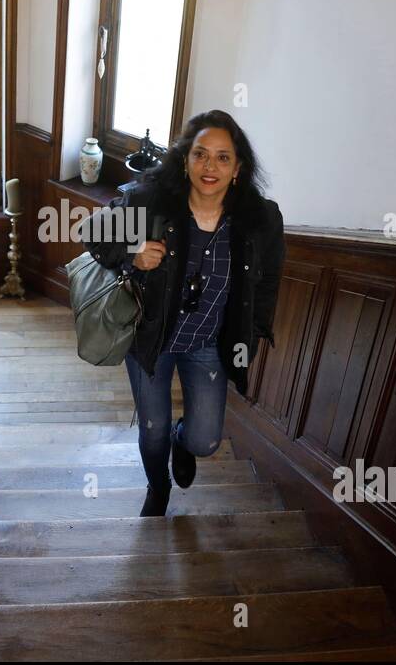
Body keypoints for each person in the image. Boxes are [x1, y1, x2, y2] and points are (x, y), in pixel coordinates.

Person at [82, 110, 285, 516]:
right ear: (185, 159)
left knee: (205, 440)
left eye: (223, 157)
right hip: (152, 339)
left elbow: (267, 281)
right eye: (200, 154)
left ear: (238, 168)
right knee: (151, 430)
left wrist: (255, 330)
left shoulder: (261, 218)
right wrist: (130, 257)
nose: (210, 166)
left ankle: (182, 439)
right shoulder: (149, 201)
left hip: (209, 344)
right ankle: (158, 488)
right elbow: (93, 232)